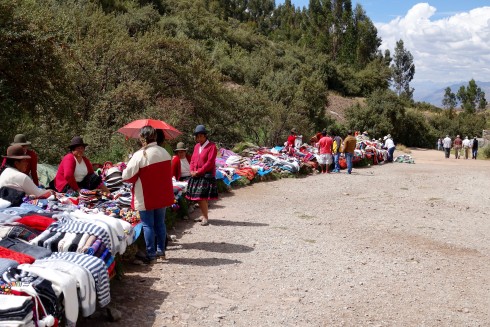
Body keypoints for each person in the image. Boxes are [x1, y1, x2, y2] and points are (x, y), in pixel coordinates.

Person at [122, 126, 174, 263]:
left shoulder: (139, 155)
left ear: (142, 138)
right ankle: (161, 250)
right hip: (161, 194)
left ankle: (151, 253)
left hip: (145, 195)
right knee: (160, 223)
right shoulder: (164, 152)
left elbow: (126, 175)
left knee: (148, 225)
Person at [186, 125, 218, 226]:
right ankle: (203, 214)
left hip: (206, 175)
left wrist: (198, 171)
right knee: (199, 197)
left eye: (201, 136)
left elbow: (209, 163)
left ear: (205, 136)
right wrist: (191, 170)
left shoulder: (212, 147)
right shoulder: (196, 147)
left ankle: (205, 217)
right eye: (197, 136)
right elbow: (192, 160)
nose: (199, 138)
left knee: (202, 197)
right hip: (196, 174)